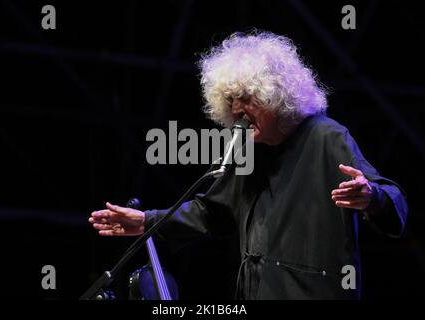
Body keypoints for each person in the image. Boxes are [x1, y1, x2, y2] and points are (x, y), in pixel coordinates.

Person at [88, 31, 408, 299]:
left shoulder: (326, 137)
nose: (237, 108)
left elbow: (394, 199)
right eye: (230, 100)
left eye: (246, 96)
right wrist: (147, 221)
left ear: (277, 95)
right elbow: (211, 212)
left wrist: (371, 197)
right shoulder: (248, 149)